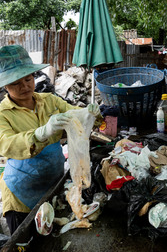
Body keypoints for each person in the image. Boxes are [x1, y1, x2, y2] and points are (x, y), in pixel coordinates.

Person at [0, 45, 100, 234]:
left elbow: (76, 115)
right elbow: (5, 144)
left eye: (28, 79)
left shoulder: (49, 101)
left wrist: (91, 114)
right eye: (15, 83)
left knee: (54, 236)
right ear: (5, 85)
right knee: (25, 241)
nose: (24, 86)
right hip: (21, 194)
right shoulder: (2, 114)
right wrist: (39, 134)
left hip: (52, 185)